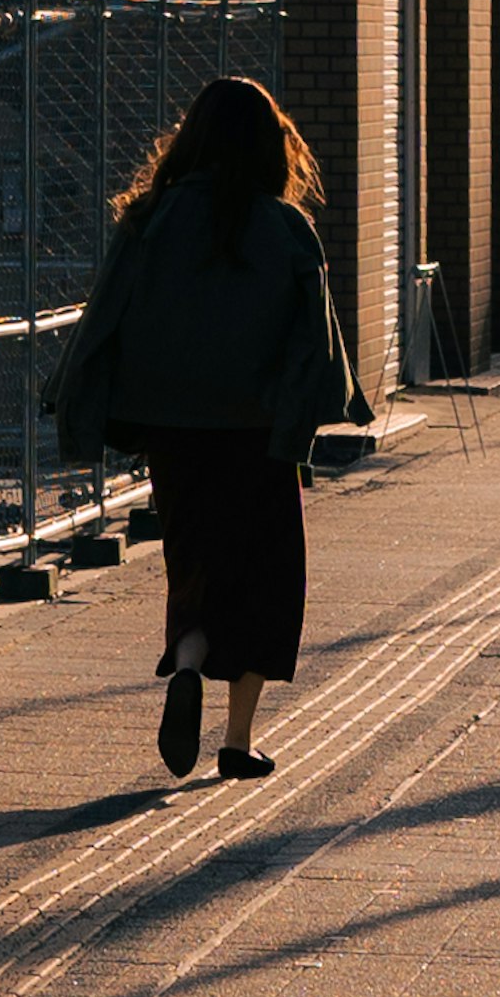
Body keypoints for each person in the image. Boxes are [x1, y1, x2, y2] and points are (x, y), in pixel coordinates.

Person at [53, 73, 358, 789]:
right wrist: (303, 423)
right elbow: (313, 342)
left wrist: (83, 401)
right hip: (256, 432)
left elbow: (104, 318)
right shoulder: (286, 229)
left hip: (174, 430)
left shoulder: (149, 220)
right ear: (269, 147)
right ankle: (237, 739)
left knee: (194, 561)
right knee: (266, 576)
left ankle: (186, 665)